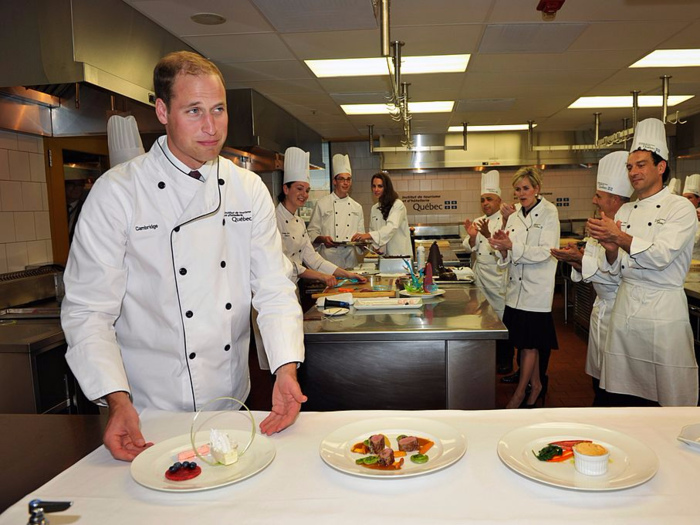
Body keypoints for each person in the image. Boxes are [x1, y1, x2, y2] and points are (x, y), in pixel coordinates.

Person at [61, 51, 307, 462]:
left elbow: (274, 288)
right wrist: (116, 401)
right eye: (194, 111)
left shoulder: (246, 189)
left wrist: (285, 368)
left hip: (232, 406)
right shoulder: (118, 192)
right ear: (162, 111)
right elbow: (88, 310)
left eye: (218, 109)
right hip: (145, 412)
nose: (211, 127)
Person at [588, 118, 699, 406]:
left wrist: (619, 238)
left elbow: (661, 256)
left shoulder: (681, 208)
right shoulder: (625, 209)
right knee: (621, 396)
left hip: (662, 314)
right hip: (625, 313)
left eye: (641, 165)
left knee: (665, 398)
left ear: (660, 167)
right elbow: (613, 270)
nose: (633, 172)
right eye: (629, 166)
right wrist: (611, 248)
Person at [551, 151, 633, 406]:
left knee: (618, 384)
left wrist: (581, 258)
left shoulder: (628, 226)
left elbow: (615, 270)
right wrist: (576, 258)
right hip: (601, 310)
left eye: (599, 195)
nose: (594, 200)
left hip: (620, 311)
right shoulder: (602, 222)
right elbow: (597, 265)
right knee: (599, 380)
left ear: (615, 198)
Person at [488, 167, 560, 409]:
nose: (521, 193)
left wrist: (512, 247)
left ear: (537, 188)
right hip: (514, 290)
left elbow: (546, 252)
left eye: (526, 188)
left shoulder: (549, 212)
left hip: (536, 290)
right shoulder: (516, 214)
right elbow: (510, 250)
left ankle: (519, 394)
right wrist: (503, 247)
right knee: (527, 343)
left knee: (529, 346)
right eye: (517, 189)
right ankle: (537, 385)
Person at [276, 147, 366, 286]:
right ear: (286, 189)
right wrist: (322, 276)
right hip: (277, 288)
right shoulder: (274, 220)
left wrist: (348, 274)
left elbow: (313, 259)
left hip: (293, 287)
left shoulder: (299, 222)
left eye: (307, 190)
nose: (304, 194)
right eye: (299, 189)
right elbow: (287, 264)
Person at [462, 170, 511, 374]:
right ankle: (488, 359)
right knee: (484, 320)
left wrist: (486, 234)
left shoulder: (508, 220)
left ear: (499, 199)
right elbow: (469, 246)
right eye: (482, 199)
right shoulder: (479, 219)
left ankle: (506, 361)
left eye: (489, 199)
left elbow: (503, 247)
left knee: (501, 321)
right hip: (481, 278)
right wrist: (473, 237)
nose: (485, 203)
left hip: (498, 279)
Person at [307, 154, 365, 268]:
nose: (345, 183)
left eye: (348, 179)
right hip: (328, 260)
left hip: (350, 260)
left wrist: (360, 240)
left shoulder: (357, 207)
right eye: (341, 179)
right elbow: (311, 233)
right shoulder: (322, 203)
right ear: (334, 181)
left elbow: (361, 237)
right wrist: (322, 239)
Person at [351, 171, 412, 257]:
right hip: (383, 257)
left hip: (399, 256)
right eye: (374, 186)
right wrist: (373, 246)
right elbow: (373, 231)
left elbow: (391, 227)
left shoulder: (397, 205)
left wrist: (367, 235)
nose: (376, 189)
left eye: (380, 186)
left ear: (387, 188)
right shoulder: (374, 208)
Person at [682, 173, 700, 260]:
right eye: (684, 198)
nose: (686, 201)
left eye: (690, 197)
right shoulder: (679, 215)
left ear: (698, 199)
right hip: (682, 262)